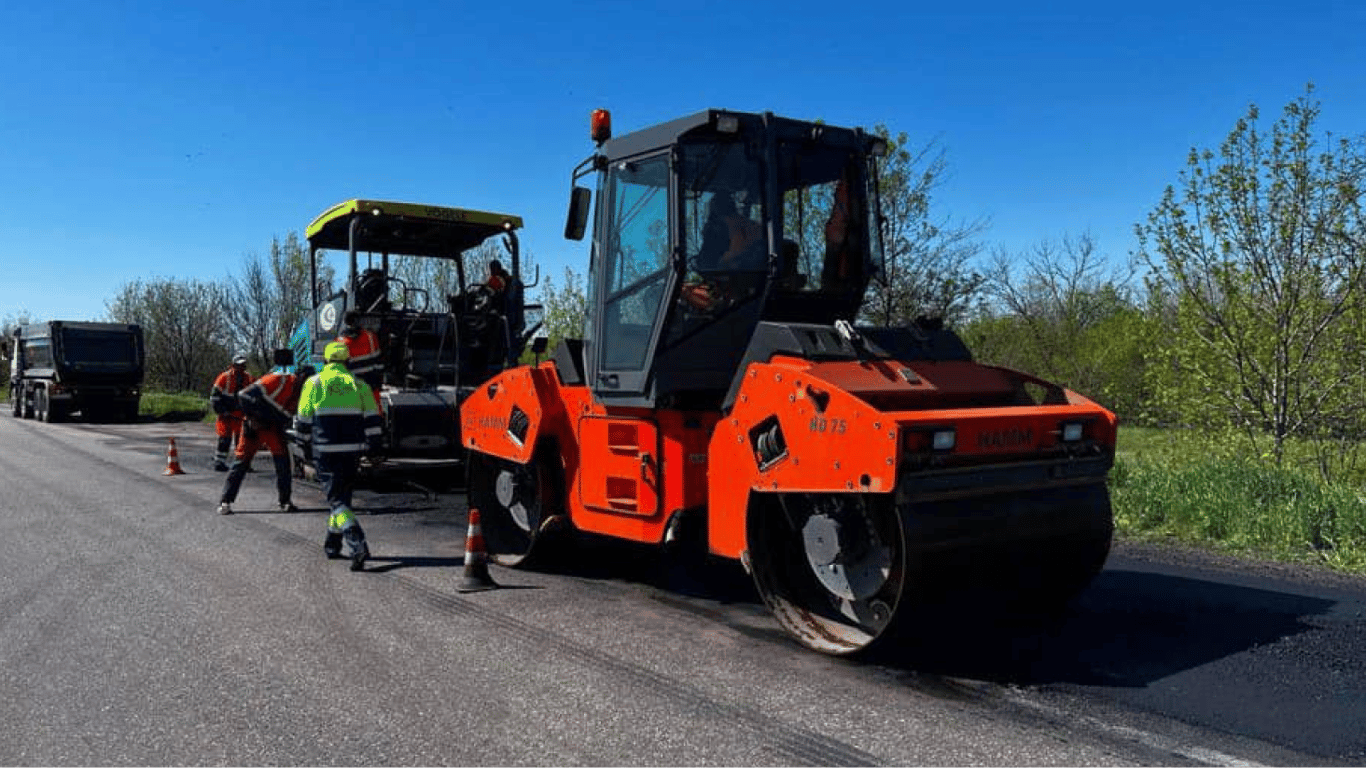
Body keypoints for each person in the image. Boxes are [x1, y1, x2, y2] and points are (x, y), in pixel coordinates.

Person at [294, 341, 382, 571]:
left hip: (325, 451)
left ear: (325, 361)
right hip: (352, 451)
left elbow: (303, 420)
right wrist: (374, 447)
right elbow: (373, 420)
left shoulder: (314, 383)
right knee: (343, 498)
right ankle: (332, 545)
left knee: (337, 501)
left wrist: (302, 446)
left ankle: (357, 542)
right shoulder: (359, 384)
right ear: (347, 362)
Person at [217, 357, 313, 515]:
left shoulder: (302, 395)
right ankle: (225, 501)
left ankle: (285, 502)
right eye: (305, 382)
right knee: (240, 463)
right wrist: (253, 419)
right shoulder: (278, 380)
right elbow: (243, 395)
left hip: (273, 428)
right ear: (300, 377)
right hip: (254, 426)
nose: (305, 386)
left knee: (283, 464)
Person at [209, 354, 254, 472]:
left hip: (240, 415)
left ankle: (242, 463)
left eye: (243, 365)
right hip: (226, 415)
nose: (241, 368)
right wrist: (222, 411)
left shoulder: (249, 378)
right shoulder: (224, 377)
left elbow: (254, 395)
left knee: (242, 441)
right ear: (233, 365)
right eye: (239, 365)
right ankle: (219, 462)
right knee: (224, 439)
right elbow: (214, 397)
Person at [335, 310, 383, 412]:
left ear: (345, 322)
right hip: (370, 387)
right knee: (374, 418)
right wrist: (378, 383)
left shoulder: (338, 342)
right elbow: (379, 363)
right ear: (359, 321)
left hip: (350, 390)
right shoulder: (370, 337)